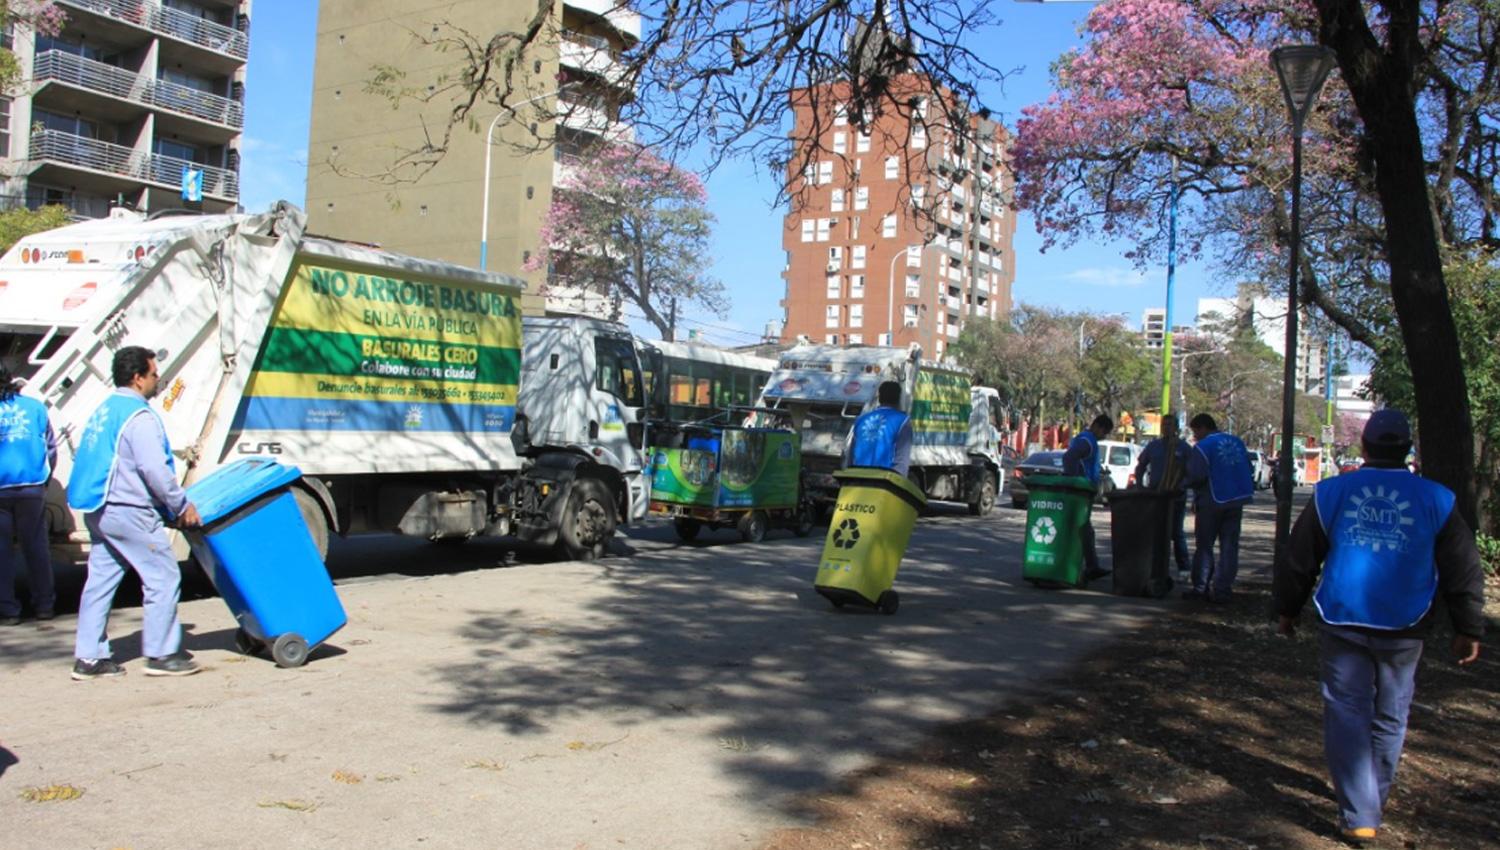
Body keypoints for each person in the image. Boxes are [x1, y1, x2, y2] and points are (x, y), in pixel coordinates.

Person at [1273, 409, 1484, 843]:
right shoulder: (1438, 499)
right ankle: (1371, 803)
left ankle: (1359, 813)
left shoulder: (1332, 492)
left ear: (1364, 446)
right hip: (1406, 624)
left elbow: (1300, 557)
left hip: (1343, 617)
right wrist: (1468, 627)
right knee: (1391, 715)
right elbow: (1463, 568)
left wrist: (1287, 609)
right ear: (1407, 449)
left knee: (1347, 713)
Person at [68, 346, 202, 680]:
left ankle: (89, 658)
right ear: (138, 378)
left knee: (100, 582)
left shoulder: (105, 410)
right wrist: (180, 505)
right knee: (163, 576)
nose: (158, 379)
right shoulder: (139, 417)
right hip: (128, 510)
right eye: (154, 374)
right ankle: (161, 654)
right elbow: (154, 469)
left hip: (98, 507)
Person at [0, 364, 57, 625]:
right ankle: (44, 605)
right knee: (36, 547)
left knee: (2, 552)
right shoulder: (35, 407)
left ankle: (8, 609)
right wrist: (43, 481)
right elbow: (51, 448)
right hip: (32, 485)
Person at [1183, 413, 1254, 602]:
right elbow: (1248, 468)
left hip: (1212, 501)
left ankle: (1201, 587)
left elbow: (1196, 476)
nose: (1195, 436)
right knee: (1229, 546)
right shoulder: (1237, 442)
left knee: (1205, 545)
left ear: (1203, 428)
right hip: (1237, 499)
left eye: (1195, 432)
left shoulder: (1203, 447)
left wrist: (1182, 483)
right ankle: (1223, 588)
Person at [1133, 413, 1190, 576]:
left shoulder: (1184, 448)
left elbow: (1191, 471)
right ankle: (1155, 568)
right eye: (1164, 424)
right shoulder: (1154, 446)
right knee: (1155, 532)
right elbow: (1141, 465)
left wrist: (1182, 486)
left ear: (1176, 428)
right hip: (1156, 496)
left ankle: (1184, 568)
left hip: (1176, 497)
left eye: (1170, 425)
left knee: (1176, 532)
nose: (1166, 427)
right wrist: (1139, 485)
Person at [1063, 414, 1113, 582]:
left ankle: (1092, 566)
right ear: (1097, 427)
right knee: (1083, 529)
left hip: (1084, 492)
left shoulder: (1086, 440)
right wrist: (1075, 482)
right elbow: (1069, 458)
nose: (1103, 436)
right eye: (1104, 432)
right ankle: (1087, 566)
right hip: (1081, 493)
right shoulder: (1087, 441)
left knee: (1086, 530)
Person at [845, 380, 913, 476]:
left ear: (879, 397)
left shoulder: (861, 420)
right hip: (884, 479)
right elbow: (901, 461)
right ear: (898, 398)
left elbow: (850, 457)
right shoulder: (903, 421)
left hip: (857, 477)